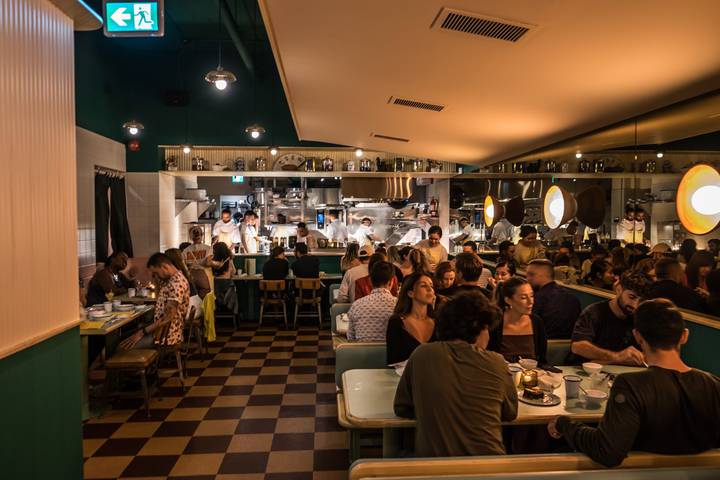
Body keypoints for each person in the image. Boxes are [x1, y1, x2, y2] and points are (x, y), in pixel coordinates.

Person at [549, 299, 720, 468]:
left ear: (637, 336)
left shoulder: (630, 385)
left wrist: (564, 424)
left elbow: (606, 451)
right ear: (684, 336)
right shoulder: (713, 383)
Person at [394, 290, 517, 457]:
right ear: (480, 329)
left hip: (434, 466)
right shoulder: (497, 362)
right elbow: (510, 413)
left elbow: (402, 407)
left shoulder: (422, 354)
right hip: (489, 465)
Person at [570, 271, 653, 366]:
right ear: (619, 289)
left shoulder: (640, 318)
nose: (635, 305)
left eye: (641, 301)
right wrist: (617, 356)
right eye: (631, 297)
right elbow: (578, 346)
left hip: (622, 371)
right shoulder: (594, 312)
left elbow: (652, 353)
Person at [120, 253, 190, 350]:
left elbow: (168, 317)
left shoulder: (177, 284)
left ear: (164, 266)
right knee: (121, 337)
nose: (155, 276)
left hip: (165, 337)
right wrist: (156, 280)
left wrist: (142, 332)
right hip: (160, 332)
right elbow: (159, 300)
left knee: (119, 346)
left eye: (156, 273)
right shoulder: (171, 280)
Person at [490, 276, 547, 365]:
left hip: (532, 372)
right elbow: (489, 358)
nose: (531, 301)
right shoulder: (496, 322)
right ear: (508, 300)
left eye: (532, 296)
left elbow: (542, 359)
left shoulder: (536, 322)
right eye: (523, 297)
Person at [386, 273, 437, 365]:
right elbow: (393, 361)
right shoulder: (396, 322)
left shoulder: (438, 322)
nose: (430, 289)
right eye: (423, 286)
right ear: (410, 293)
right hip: (405, 373)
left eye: (431, 286)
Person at [526, 259, 581, 339]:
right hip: (569, 344)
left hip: (542, 344)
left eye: (531, 274)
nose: (527, 279)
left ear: (543, 275)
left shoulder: (536, 299)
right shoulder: (573, 298)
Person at [347, 261, 397, 342]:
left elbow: (351, 338)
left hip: (361, 350)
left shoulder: (356, 305)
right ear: (391, 282)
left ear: (370, 281)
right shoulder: (399, 305)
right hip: (391, 350)